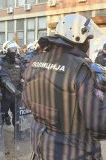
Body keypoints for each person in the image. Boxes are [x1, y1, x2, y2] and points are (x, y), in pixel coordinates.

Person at [22, 14, 106, 160]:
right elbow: (99, 127)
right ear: (79, 37)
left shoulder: (34, 61)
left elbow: (27, 101)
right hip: (74, 152)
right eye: (88, 39)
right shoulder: (82, 69)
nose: (88, 43)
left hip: (41, 148)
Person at [0, 41, 22, 126]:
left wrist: (22, 88)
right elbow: (4, 79)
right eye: (11, 49)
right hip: (5, 94)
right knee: (1, 116)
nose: (14, 51)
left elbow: (23, 76)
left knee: (17, 115)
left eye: (15, 49)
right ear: (6, 50)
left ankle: (18, 133)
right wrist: (15, 91)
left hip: (17, 94)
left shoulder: (18, 62)